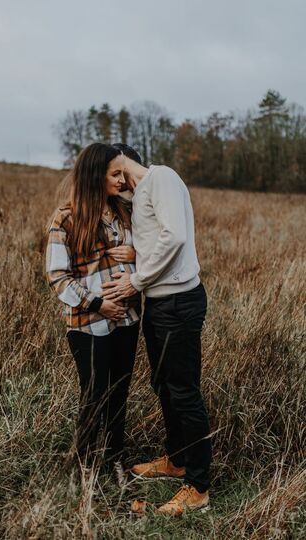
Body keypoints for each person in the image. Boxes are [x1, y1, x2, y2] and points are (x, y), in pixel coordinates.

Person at [101, 143, 212, 514]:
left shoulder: (160, 176)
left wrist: (137, 278)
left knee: (184, 391)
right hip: (160, 303)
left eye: (112, 174)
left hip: (179, 302)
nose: (113, 184)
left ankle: (197, 487)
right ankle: (177, 459)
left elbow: (175, 236)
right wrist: (138, 255)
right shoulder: (141, 193)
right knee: (163, 385)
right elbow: (158, 237)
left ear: (118, 160)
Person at [45, 143, 141, 481]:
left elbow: (148, 258)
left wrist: (135, 259)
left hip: (127, 321)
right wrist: (100, 303)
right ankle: (87, 469)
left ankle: (116, 462)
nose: (122, 180)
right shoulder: (66, 218)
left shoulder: (125, 213)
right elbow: (58, 277)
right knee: (94, 394)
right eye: (115, 174)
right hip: (88, 324)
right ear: (94, 176)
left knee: (119, 394)